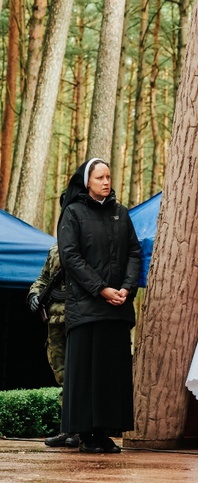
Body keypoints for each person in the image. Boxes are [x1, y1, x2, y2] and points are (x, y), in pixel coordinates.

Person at [57, 158, 142, 454]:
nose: (106, 182)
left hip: (117, 306)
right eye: (100, 178)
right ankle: (85, 435)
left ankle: (104, 433)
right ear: (86, 182)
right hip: (86, 308)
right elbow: (70, 257)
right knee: (87, 373)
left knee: (111, 373)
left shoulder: (121, 213)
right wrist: (101, 289)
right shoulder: (73, 213)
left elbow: (134, 251)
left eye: (109, 177)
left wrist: (126, 288)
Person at [27, 242, 79, 448]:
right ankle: (67, 428)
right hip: (55, 322)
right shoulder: (55, 249)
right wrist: (34, 294)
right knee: (63, 377)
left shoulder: (86, 244)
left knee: (79, 377)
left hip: (78, 319)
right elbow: (44, 278)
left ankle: (82, 430)